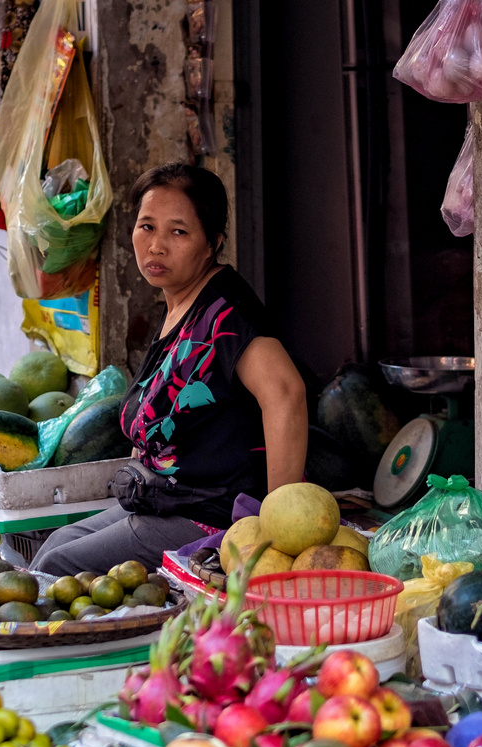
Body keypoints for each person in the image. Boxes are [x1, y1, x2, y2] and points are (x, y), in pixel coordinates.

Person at [31, 164, 309, 576]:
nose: (156, 245)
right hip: (165, 502)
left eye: (178, 232)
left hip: (212, 516)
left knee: (58, 565)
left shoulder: (226, 313)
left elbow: (286, 394)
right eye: (147, 226)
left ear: (212, 243)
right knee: (58, 543)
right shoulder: (181, 302)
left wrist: (278, 531)